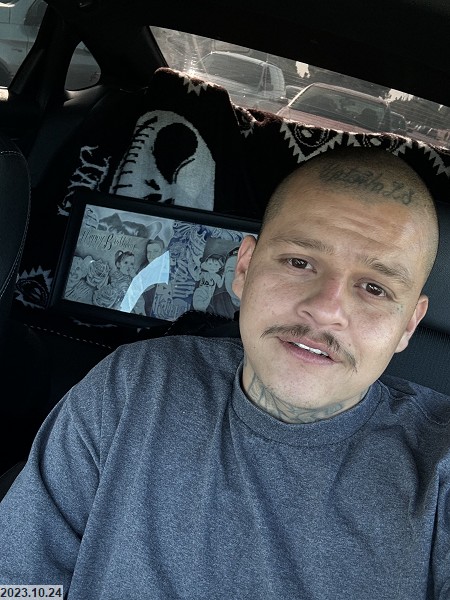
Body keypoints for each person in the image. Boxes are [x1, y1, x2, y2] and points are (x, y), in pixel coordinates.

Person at [1, 146, 449, 599]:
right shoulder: (134, 384)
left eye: (374, 287)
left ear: (408, 325)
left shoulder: (440, 473)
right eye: (299, 262)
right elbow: (19, 584)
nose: (326, 310)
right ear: (244, 267)